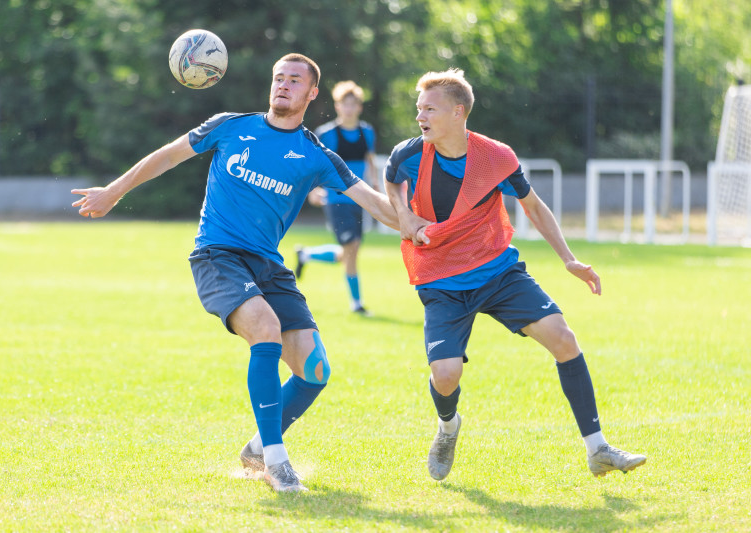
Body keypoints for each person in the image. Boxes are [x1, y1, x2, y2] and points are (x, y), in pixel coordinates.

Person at [71, 53, 404, 493]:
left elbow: (374, 201)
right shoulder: (230, 125)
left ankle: (254, 450)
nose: (283, 85)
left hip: (269, 265)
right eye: (278, 77)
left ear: (312, 92)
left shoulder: (316, 154)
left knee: (315, 371)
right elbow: (169, 156)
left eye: (294, 80)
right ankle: (277, 460)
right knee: (265, 330)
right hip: (218, 255)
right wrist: (113, 192)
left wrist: (415, 224)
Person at [383, 68, 646, 481]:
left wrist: (569, 259)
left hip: (497, 271)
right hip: (440, 279)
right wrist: (405, 216)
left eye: (428, 109)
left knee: (564, 339)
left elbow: (534, 206)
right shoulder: (408, 153)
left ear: (458, 112)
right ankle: (448, 426)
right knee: (447, 375)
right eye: (418, 109)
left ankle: (598, 449)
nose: (420, 116)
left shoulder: (497, 158)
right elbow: (391, 179)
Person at [295, 81, 378, 315]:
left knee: (349, 252)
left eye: (354, 104)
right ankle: (357, 304)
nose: (349, 109)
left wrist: (375, 189)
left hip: (360, 199)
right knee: (350, 247)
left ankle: (307, 254)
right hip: (335, 199)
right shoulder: (327, 134)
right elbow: (314, 165)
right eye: (344, 104)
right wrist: (312, 190)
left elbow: (370, 159)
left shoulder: (367, 132)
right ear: (338, 106)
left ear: (360, 107)